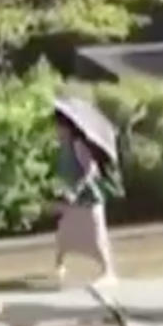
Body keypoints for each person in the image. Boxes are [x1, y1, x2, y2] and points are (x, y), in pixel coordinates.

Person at [54, 111, 118, 287]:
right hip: (71, 198)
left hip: (88, 196)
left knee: (95, 235)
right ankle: (59, 266)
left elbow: (91, 170)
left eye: (58, 126)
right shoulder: (61, 146)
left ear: (66, 128)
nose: (55, 130)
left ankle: (109, 272)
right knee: (64, 234)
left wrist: (76, 190)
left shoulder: (78, 144)